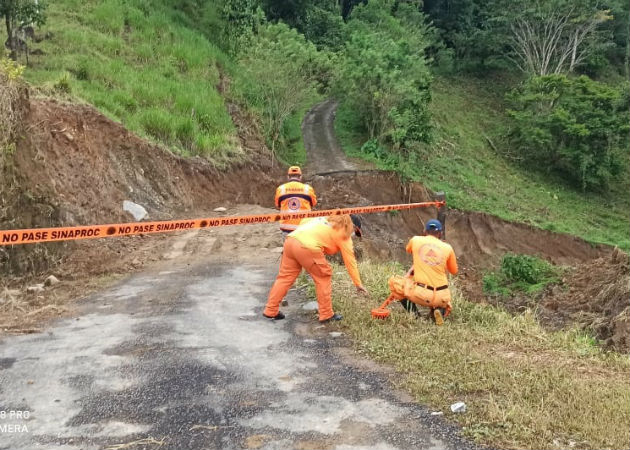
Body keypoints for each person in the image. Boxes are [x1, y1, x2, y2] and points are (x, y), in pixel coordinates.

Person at [263, 214, 368, 323]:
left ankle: (270, 310)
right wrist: (358, 284)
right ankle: (326, 314)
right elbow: (350, 261)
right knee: (323, 276)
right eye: (355, 232)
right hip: (307, 246)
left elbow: (303, 221)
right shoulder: (344, 233)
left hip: (291, 240)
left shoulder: (323, 218)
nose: (353, 235)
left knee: (285, 277)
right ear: (353, 226)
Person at [393, 219, 458, 325]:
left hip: (421, 294)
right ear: (440, 233)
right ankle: (439, 310)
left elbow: (408, 250)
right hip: (442, 296)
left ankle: (415, 315)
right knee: (441, 300)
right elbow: (454, 271)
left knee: (395, 283)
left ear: (424, 231)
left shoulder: (416, 240)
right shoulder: (448, 248)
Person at [274, 166, 317, 237]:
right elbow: (313, 203)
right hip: (304, 228)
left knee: (288, 248)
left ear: (288, 177)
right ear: (300, 177)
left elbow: (278, 205)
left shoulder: (281, 189)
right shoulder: (307, 189)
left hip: (287, 229)